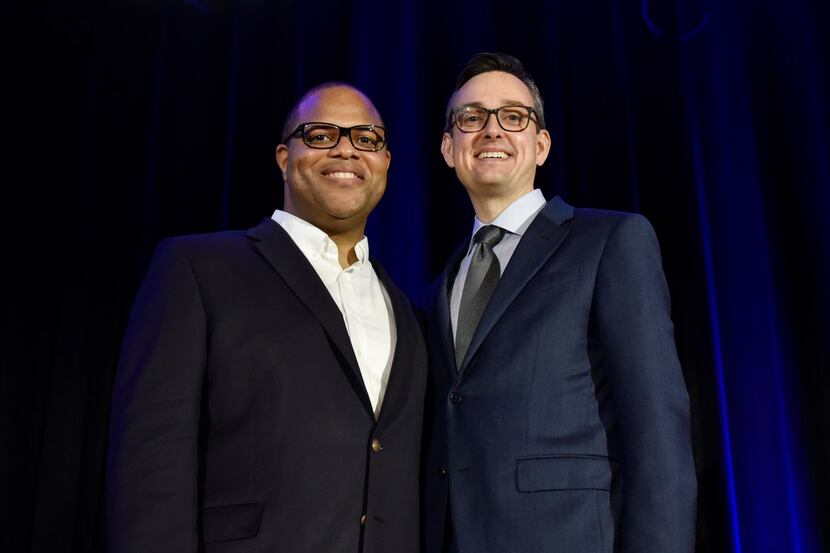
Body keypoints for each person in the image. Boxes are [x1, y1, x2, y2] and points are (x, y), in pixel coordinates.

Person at [107, 83, 426, 553]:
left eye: (367, 138)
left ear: (385, 163)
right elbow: (151, 462)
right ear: (283, 157)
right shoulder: (198, 268)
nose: (346, 149)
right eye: (320, 135)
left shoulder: (411, 312)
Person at [422, 53, 697, 553]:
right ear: (448, 148)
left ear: (541, 144)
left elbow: (658, 431)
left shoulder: (611, 241)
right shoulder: (438, 286)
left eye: (513, 116)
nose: (491, 131)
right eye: (471, 118)